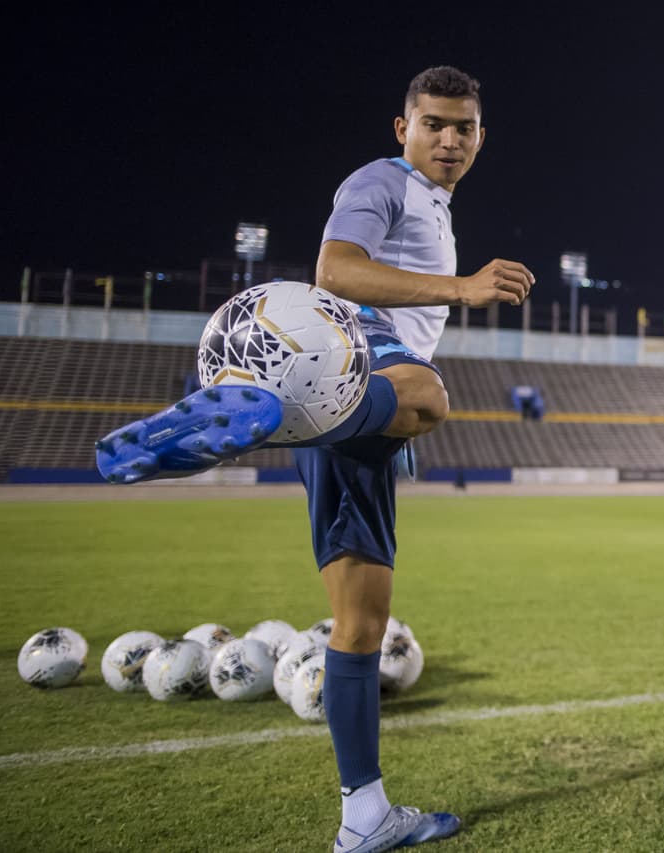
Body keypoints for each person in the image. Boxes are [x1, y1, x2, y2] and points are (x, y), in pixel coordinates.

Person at [95, 65, 534, 849]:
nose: (449, 138)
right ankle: (278, 419)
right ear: (403, 129)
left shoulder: (433, 203)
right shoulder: (383, 181)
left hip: (347, 418)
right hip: (349, 354)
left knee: (361, 622)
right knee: (430, 397)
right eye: (433, 123)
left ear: (481, 137)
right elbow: (335, 271)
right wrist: (462, 287)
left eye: (463, 127)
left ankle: (363, 818)